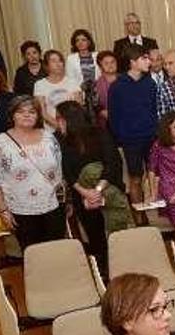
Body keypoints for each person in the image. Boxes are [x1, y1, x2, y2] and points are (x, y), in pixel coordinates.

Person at [0, 95, 64, 249]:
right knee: (33, 257)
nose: (27, 115)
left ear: (38, 116)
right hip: (20, 211)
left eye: (32, 111)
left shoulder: (49, 138)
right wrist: (3, 211)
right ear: (12, 115)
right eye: (21, 112)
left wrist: (66, 201)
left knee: (56, 255)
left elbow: (59, 172)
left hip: (53, 207)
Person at [56, 100, 128, 273]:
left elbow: (113, 163)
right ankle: (103, 271)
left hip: (108, 190)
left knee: (117, 232)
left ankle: (123, 268)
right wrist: (85, 192)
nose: (56, 121)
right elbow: (67, 171)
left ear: (67, 119)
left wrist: (96, 191)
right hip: (82, 195)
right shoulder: (61, 140)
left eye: (58, 117)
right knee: (95, 237)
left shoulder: (100, 133)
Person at [108, 46, 158, 222]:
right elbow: (113, 117)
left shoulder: (150, 83)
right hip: (131, 141)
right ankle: (139, 218)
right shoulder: (117, 86)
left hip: (152, 138)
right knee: (135, 178)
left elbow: (154, 110)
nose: (149, 61)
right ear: (132, 62)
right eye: (144, 58)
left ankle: (156, 214)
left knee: (154, 176)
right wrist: (123, 137)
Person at [149, 112, 175, 260]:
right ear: (167, 129)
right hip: (168, 189)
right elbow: (153, 172)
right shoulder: (158, 146)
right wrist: (153, 195)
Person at [34, 50, 82, 131]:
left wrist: (69, 127)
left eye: (60, 61)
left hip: (73, 127)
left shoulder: (72, 82)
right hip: (51, 129)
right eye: (53, 61)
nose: (58, 64)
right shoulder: (39, 84)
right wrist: (59, 127)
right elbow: (42, 112)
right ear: (46, 65)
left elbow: (78, 107)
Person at [66, 29, 101, 111]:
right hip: (81, 96)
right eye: (77, 40)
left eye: (83, 40)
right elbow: (70, 80)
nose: (80, 43)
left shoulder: (97, 55)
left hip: (98, 93)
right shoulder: (71, 59)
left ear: (89, 42)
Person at [93, 51, 119, 128]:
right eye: (106, 63)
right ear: (100, 66)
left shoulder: (127, 80)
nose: (110, 65)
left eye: (112, 62)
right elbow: (95, 106)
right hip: (106, 125)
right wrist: (102, 112)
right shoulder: (95, 85)